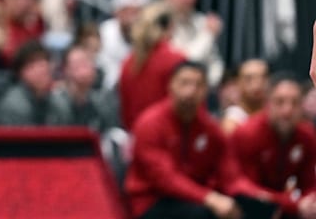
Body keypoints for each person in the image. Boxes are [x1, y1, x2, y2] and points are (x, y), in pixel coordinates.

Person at [125, 62, 291, 219]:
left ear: (206, 90)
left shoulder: (210, 128)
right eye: (184, 83)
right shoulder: (150, 123)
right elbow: (165, 179)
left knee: (257, 208)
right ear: (171, 85)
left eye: (198, 85)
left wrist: (264, 198)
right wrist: (209, 197)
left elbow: (231, 177)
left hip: (197, 197)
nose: (190, 91)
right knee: (205, 213)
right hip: (152, 201)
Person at [231, 75, 316, 219]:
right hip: (249, 204)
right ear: (267, 103)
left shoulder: (306, 135)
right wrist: (292, 204)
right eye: (279, 102)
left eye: (294, 103)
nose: (287, 110)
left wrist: (310, 201)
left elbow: (309, 182)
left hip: (284, 202)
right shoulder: (248, 133)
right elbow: (243, 186)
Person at [221, 59, 269, 134]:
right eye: (249, 79)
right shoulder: (232, 121)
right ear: (237, 83)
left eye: (262, 78)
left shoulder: (274, 114)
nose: (256, 85)